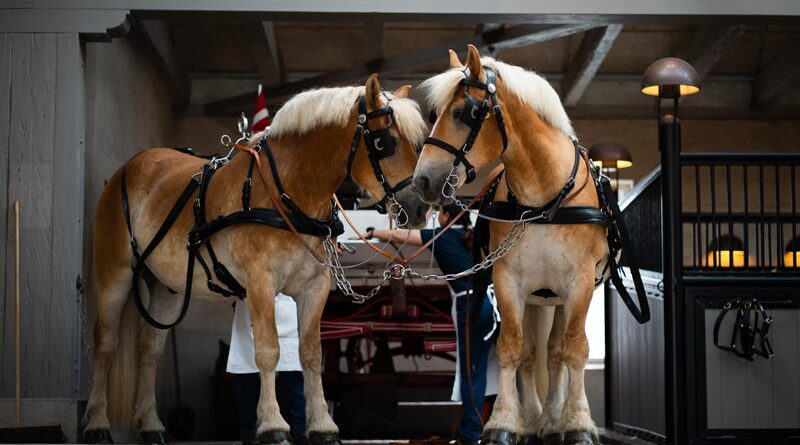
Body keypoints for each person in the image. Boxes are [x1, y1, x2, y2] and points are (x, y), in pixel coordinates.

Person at [361, 203, 499, 445]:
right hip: (494, 304)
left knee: (471, 373)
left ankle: (471, 434)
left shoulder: (439, 236)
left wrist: (373, 232)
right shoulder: (477, 234)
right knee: (495, 368)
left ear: (445, 216)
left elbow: (399, 235)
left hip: (471, 307)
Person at [227, 295, 307, 445]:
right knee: (248, 381)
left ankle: (300, 434)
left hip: (287, 312)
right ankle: (250, 434)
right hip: (250, 311)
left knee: (293, 385)